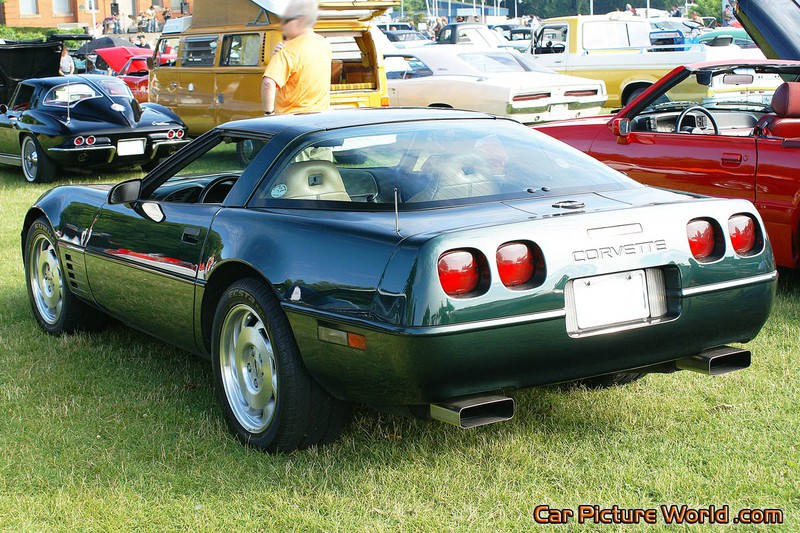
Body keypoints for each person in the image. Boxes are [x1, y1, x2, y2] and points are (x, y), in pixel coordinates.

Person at [261, 0, 331, 116]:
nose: (283, 26)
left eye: (286, 20)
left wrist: (269, 113)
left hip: (291, 119)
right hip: (320, 115)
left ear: (300, 20)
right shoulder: (324, 45)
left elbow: (268, 83)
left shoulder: (286, 50)